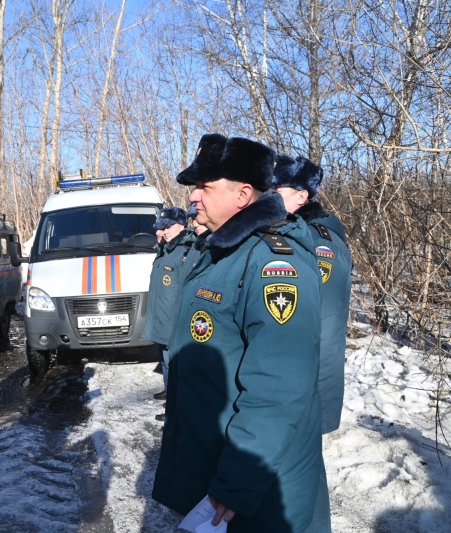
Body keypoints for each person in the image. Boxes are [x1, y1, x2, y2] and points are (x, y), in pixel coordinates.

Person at [152, 134, 329, 532]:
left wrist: (235, 484)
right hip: (222, 469)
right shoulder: (220, 253)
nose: (193, 197)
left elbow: (277, 389)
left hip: (258, 488)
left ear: (242, 194)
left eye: (204, 186)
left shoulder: (273, 265)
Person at [272, 155, 352, 533]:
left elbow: (323, 319)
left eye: (276, 190)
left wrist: (301, 388)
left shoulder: (319, 241)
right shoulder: (292, 233)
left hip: (308, 381)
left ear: (301, 197)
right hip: (292, 381)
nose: (266, 197)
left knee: (302, 483)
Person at [141, 206, 188, 421]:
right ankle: (171, 399)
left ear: (182, 225)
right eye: (161, 228)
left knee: (174, 367)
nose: (163, 232)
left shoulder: (186, 251)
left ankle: (175, 413)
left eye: (168, 227)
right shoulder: (165, 250)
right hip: (162, 321)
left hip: (174, 323)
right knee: (167, 364)